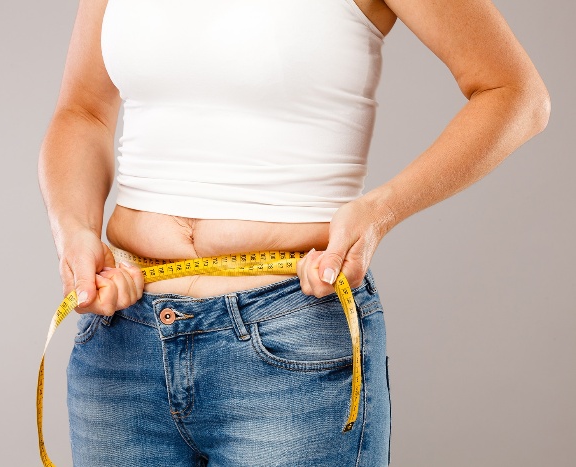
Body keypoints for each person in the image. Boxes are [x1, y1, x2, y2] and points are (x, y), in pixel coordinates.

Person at [38, 0, 549, 465]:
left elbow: (516, 94)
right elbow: (82, 111)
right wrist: (75, 230)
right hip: (122, 340)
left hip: (291, 336)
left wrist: (380, 211)